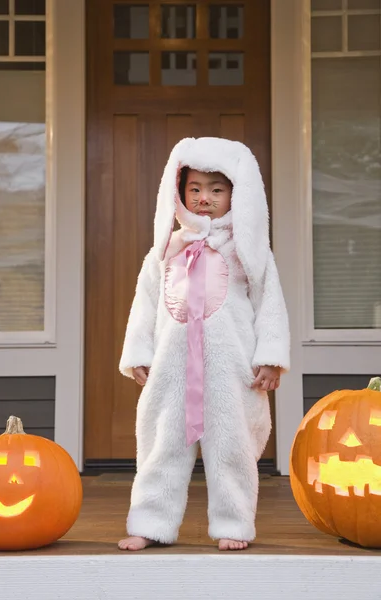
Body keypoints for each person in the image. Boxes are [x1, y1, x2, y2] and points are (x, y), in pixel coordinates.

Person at [118, 137, 290, 551]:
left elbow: (270, 302)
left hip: (230, 369)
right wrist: (139, 352)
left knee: (231, 445)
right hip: (172, 367)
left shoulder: (248, 251)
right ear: (178, 193)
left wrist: (269, 356)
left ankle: (234, 524)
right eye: (194, 189)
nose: (204, 199)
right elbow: (144, 303)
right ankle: (150, 522)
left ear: (237, 194)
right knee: (161, 443)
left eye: (217, 190)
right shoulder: (165, 251)